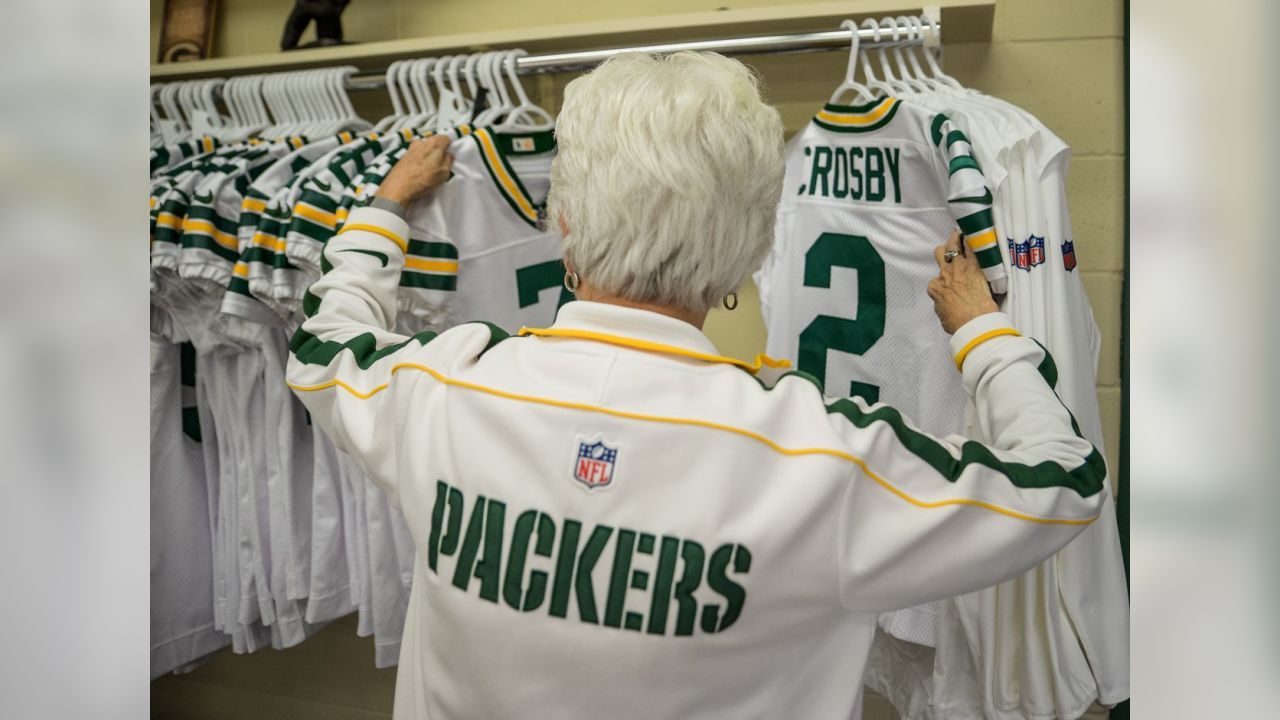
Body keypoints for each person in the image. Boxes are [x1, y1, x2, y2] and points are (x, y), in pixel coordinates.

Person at [286, 52, 1107, 720]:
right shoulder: (819, 455)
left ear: (565, 220)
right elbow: (1066, 480)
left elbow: (323, 345)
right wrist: (983, 334)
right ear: (752, 255)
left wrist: (387, 209)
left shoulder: (443, 387)